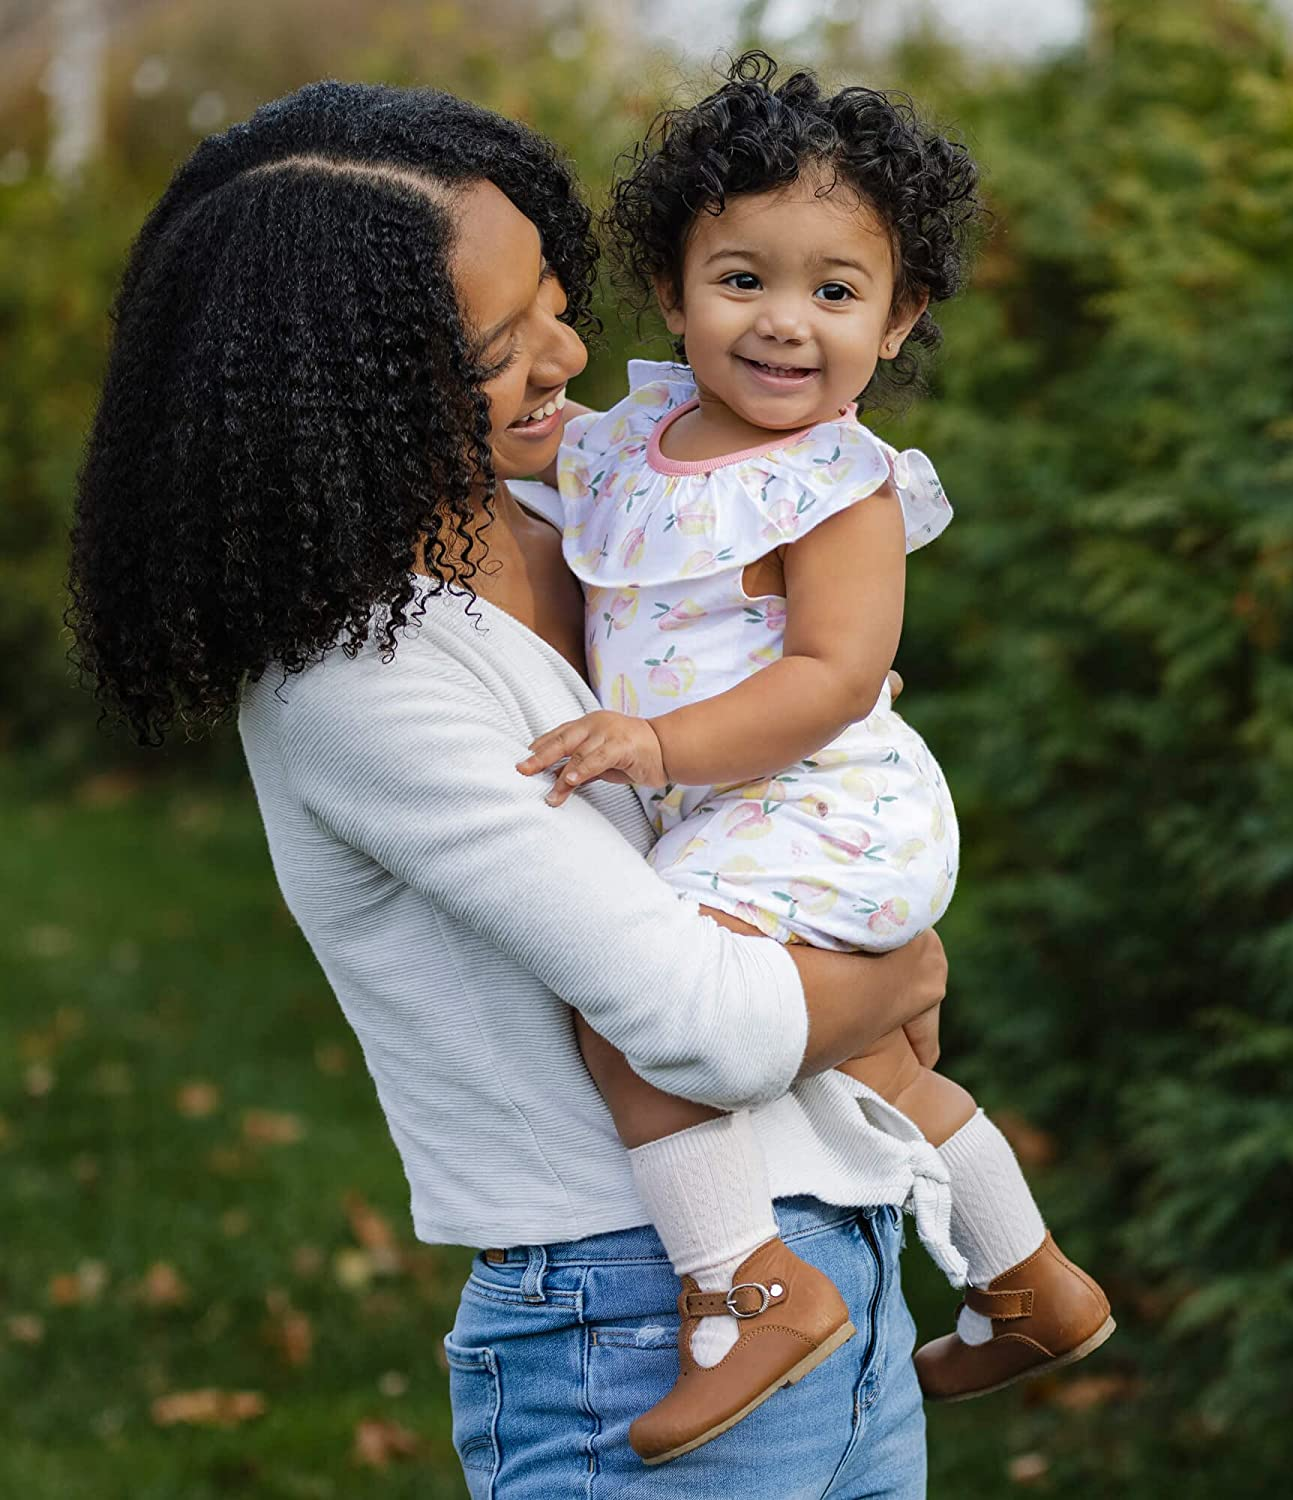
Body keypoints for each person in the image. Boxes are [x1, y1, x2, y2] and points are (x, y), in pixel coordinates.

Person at [68, 80, 951, 1496]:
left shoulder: (593, 510)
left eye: (555, 294)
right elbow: (699, 1031)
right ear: (348, 382)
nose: (569, 351)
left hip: (844, 1282)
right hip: (632, 1319)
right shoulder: (355, 679)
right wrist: (902, 969)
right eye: (500, 342)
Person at [517, 53, 1113, 1462]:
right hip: (743, 807)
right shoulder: (629, 443)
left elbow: (834, 678)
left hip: (821, 801)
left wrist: (654, 741)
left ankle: (747, 1289)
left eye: (834, 292)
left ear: (897, 317)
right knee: (869, 1072)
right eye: (742, 279)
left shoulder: (835, 487)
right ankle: (1031, 1281)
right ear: (670, 288)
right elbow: (523, 478)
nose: (785, 325)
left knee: (641, 1012)